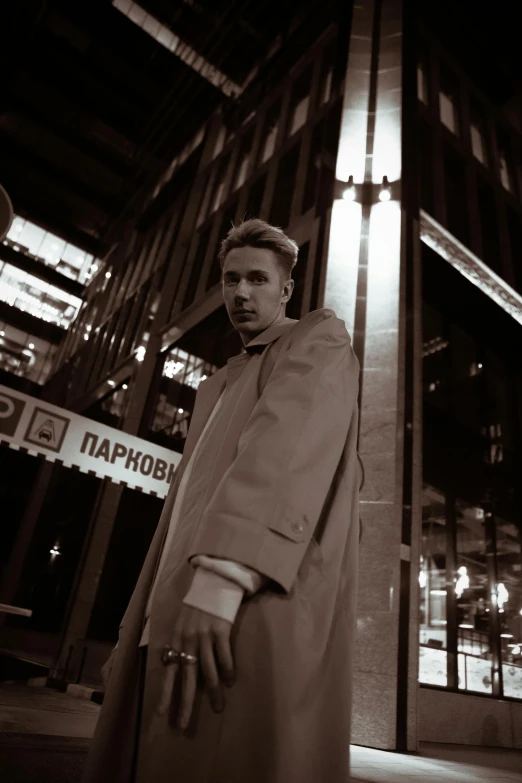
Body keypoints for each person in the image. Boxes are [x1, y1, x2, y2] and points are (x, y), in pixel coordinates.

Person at [81, 219, 362, 783]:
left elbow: (285, 449)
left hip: (240, 607)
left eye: (258, 279)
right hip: (177, 616)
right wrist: (134, 635)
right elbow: (181, 520)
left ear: (286, 289)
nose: (240, 293)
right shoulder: (223, 383)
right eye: (231, 280)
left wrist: (224, 577)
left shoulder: (316, 339)